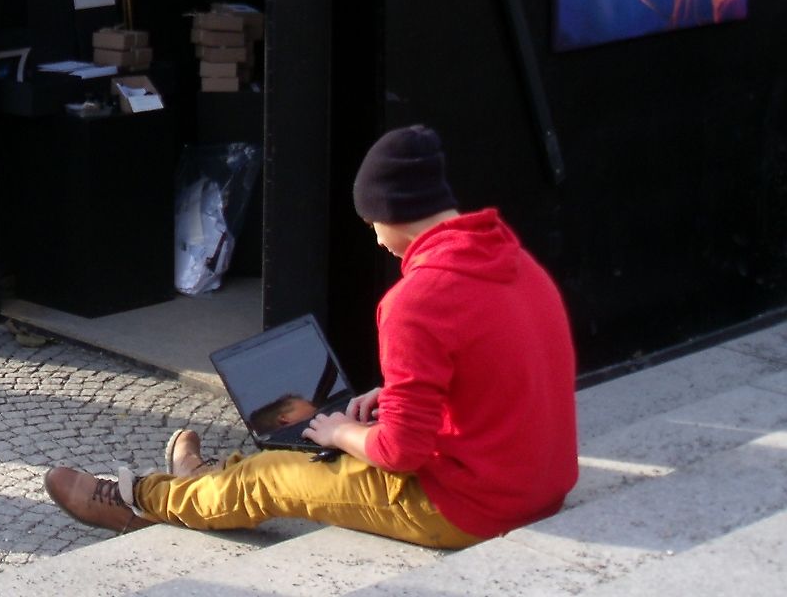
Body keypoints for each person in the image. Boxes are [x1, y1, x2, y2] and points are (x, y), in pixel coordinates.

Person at [43, 124, 578, 549]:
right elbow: (495, 370)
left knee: (271, 475)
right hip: (538, 485)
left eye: (371, 224)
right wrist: (397, 396)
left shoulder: (415, 301)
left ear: (388, 213)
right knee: (303, 450)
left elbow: (400, 453)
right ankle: (202, 484)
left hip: (472, 508)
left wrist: (341, 433)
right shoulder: (514, 261)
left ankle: (140, 501)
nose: (376, 240)